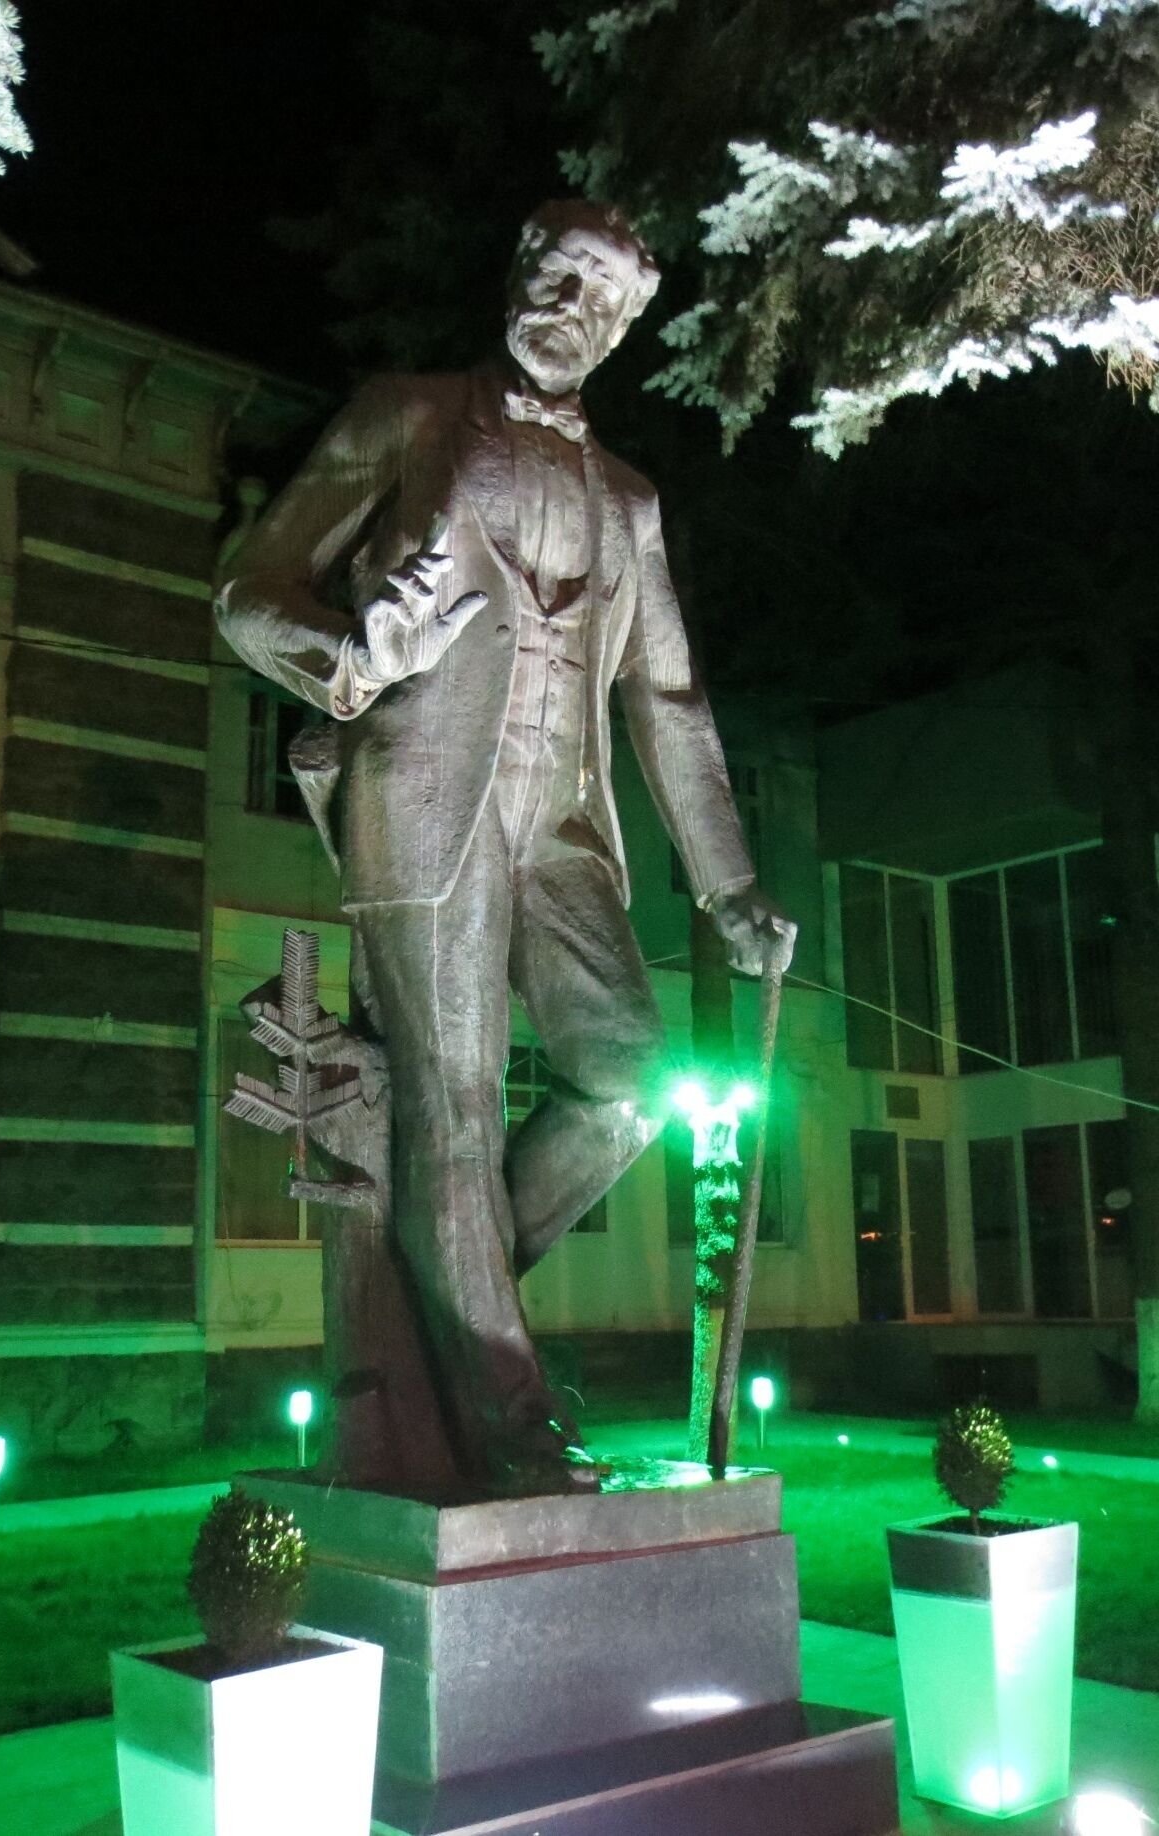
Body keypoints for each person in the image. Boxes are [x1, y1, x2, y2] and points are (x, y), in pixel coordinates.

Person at [217, 201, 794, 1492]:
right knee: (456, 1108)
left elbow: (670, 698)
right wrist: (352, 659)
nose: (571, 304)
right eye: (560, 273)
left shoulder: (630, 500)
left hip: (562, 822)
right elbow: (249, 595)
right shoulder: (407, 414)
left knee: (630, 1083)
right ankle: (508, 1420)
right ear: (519, 270)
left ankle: (436, 1295)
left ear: (620, 330)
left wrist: (729, 883)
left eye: (602, 295)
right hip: (422, 793)